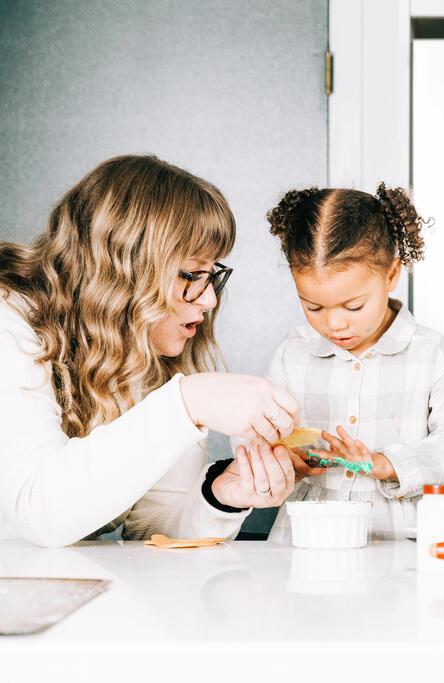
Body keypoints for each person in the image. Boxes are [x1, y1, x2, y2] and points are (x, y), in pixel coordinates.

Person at [0, 154, 304, 547]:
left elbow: (154, 528)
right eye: (191, 275)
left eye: (211, 275)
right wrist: (186, 402)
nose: (209, 299)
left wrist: (222, 496)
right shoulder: (10, 320)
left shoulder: (150, 352)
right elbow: (39, 514)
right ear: (122, 269)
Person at [257, 184, 444, 540]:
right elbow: (253, 432)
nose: (334, 324)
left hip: (397, 538)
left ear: (392, 275)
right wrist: (278, 456)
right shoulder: (293, 353)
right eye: (313, 307)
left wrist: (388, 464)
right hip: (304, 536)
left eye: (353, 307)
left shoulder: (430, 353)